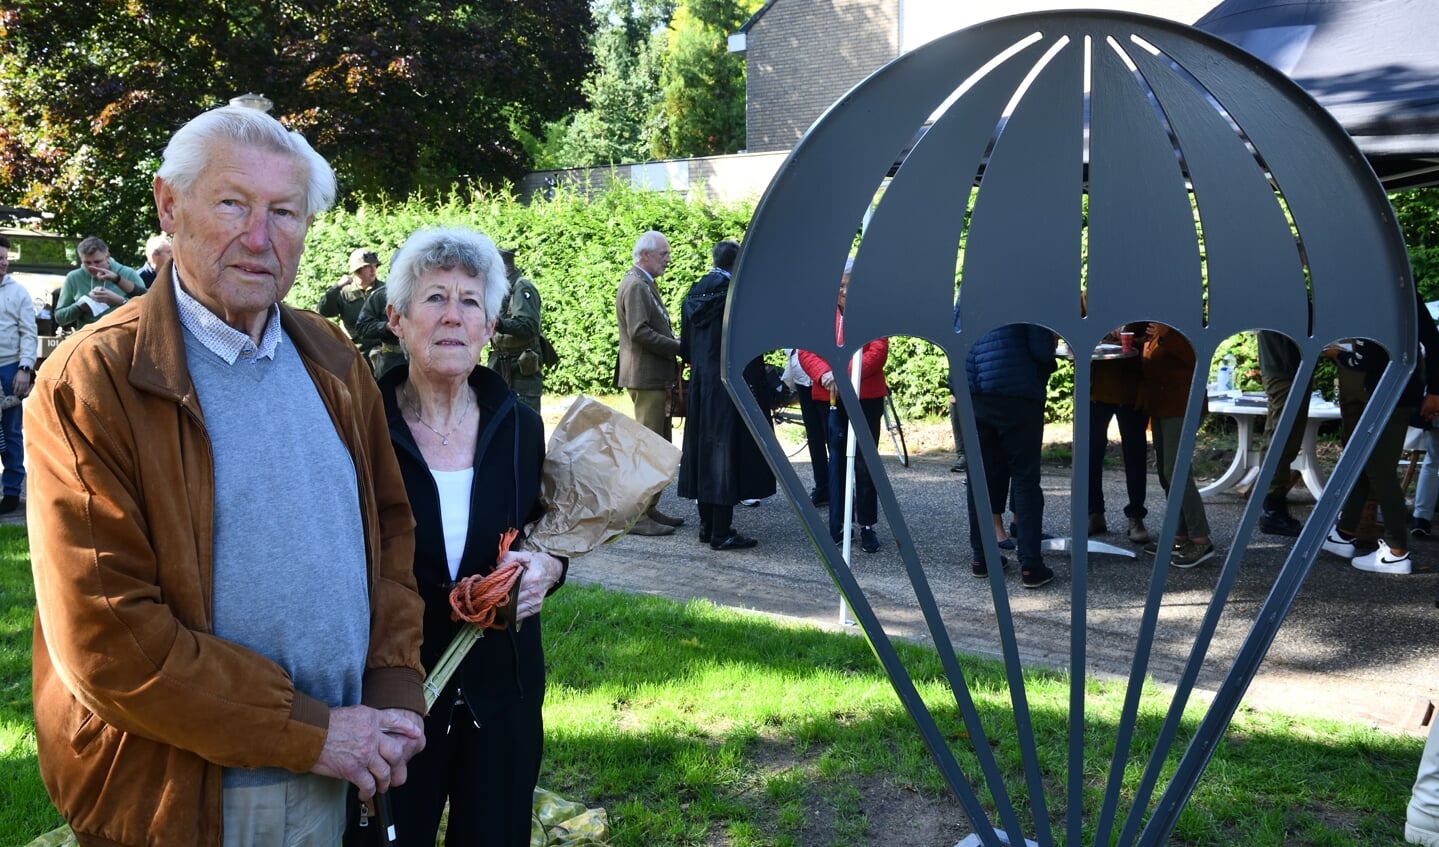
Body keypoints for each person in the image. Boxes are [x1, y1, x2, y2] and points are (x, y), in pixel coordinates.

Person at [27, 104, 427, 847]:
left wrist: (395, 688)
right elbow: (108, 635)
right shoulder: (93, 379)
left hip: (339, 770)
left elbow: (391, 535)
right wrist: (311, 729)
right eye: (233, 203)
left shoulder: (332, 357)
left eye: (284, 211)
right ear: (169, 206)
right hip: (186, 796)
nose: (259, 236)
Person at [376, 226, 566, 846]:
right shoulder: (361, 431)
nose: (453, 316)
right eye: (434, 298)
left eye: (471, 302)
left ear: (489, 328)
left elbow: (545, 535)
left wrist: (547, 570)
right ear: (396, 319)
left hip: (502, 690)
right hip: (394, 694)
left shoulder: (520, 429)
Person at [1319, 291, 1439, 574]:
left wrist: (1338, 355)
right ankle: (1345, 532)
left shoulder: (1383, 292)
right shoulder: (1399, 288)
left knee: (1379, 469)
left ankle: (1397, 551)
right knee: (1363, 461)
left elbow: (1370, 357)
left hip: (1389, 391)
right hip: (1395, 387)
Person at [677, 240, 775, 550]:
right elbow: (751, 343)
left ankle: (707, 526)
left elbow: (687, 348)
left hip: (702, 386)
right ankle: (722, 532)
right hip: (730, 384)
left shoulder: (692, 293)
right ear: (737, 263)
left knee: (704, 453)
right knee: (725, 454)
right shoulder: (735, 295)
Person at [800, 259, 889, 555]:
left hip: (865, 397)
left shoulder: (871, 312)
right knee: (835, 459)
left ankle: (866, 525)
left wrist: (842, 373)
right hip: (830, 396)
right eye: (838, 285)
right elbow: (806, 350)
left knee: (865, 463)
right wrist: (826, 375)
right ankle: (837, 525)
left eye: (847, 285)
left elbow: (877, 351)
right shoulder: (819, 312)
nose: (842, 291)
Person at [962, 320, 1057, 586]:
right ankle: (1030, 565)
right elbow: (1041, 349)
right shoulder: (1028, 287)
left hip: (975, 391)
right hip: (1018, 392)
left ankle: (982, 557)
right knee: (1025, 479)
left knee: (981, 478)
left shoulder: (970, 285)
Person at [615, 229, 686, 535]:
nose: (668, 260)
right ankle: (638, 516)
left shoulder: (643, 283)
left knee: (658, 446)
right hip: (646, 379)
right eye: (663, 254)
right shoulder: (635, 285)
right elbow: (639, 332)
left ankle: (650, 509)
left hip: (653, 377)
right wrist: (679, 347)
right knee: (648, 448)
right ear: (644, 255)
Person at [1138, 323, 1217, 568]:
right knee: (1166, 472)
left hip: (1181, 407)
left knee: (1176, 471)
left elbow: (1196, 357)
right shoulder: (1156, 324)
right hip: (1162, 407)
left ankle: (1200, 538)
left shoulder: (1184, 326)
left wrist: (1167, 334)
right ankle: (1179, 536)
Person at [1088, 323, 1151, 543]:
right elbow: (1074, 331)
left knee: (1135, 454)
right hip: (1096, 389)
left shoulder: (1138, 302)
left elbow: (1154, 339)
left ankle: (1136, 516)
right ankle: (1094, 512)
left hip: (1131, 389)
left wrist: (1130, 338)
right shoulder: (1088, 299)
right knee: (1090, 453)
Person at [1255, 330, 1309, 536]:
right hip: (1283, 366)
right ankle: (1272, 510)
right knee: (1281, 436)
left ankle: (1273, 507)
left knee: (1287, 436)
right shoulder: (1278, 298)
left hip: (1290, 365)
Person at [487, 246, 547, 412]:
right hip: (500, 363)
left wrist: (500, 324)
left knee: (525, 419)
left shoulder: (522, 288)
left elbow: (529, 326)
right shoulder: (500, 290)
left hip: (521, 367)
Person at [0, 236, 36, 514]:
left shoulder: (18, 293)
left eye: (4, 259)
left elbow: (28, 332)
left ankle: (12, 493)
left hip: (9, 368)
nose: (2, 263)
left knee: (11, 432)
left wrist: (25, 368)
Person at [53, 236, 147, 330]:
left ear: (107, 257)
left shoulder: (128, 274)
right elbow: (60, 318)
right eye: (87, 263)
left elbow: (147, 307)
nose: (93, 267)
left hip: (122, 334)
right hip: (88, 337)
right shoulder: (74, 277)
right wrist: (79, 307)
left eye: (97, 262)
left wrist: (120, 301)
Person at [318, 248, 384, 365]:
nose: (373, 270)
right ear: (357, 270)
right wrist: (337, 287)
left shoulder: (384, 290)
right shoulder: (344, 292)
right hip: (355, 354)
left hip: (382, 352)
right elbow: (324, 311)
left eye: (375, 266)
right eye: (368, 267)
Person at [783, 347, 830, 506]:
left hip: (826, 373)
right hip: (803, 373)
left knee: (834, 435)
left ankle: (841, 488)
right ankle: (822, 486)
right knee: (814, 435)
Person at [356, 281, 405, 380]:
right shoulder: (380, 296)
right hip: (392, 359)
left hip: (424, 358)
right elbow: (362, 327)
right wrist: (387, 326)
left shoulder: (425, 293)